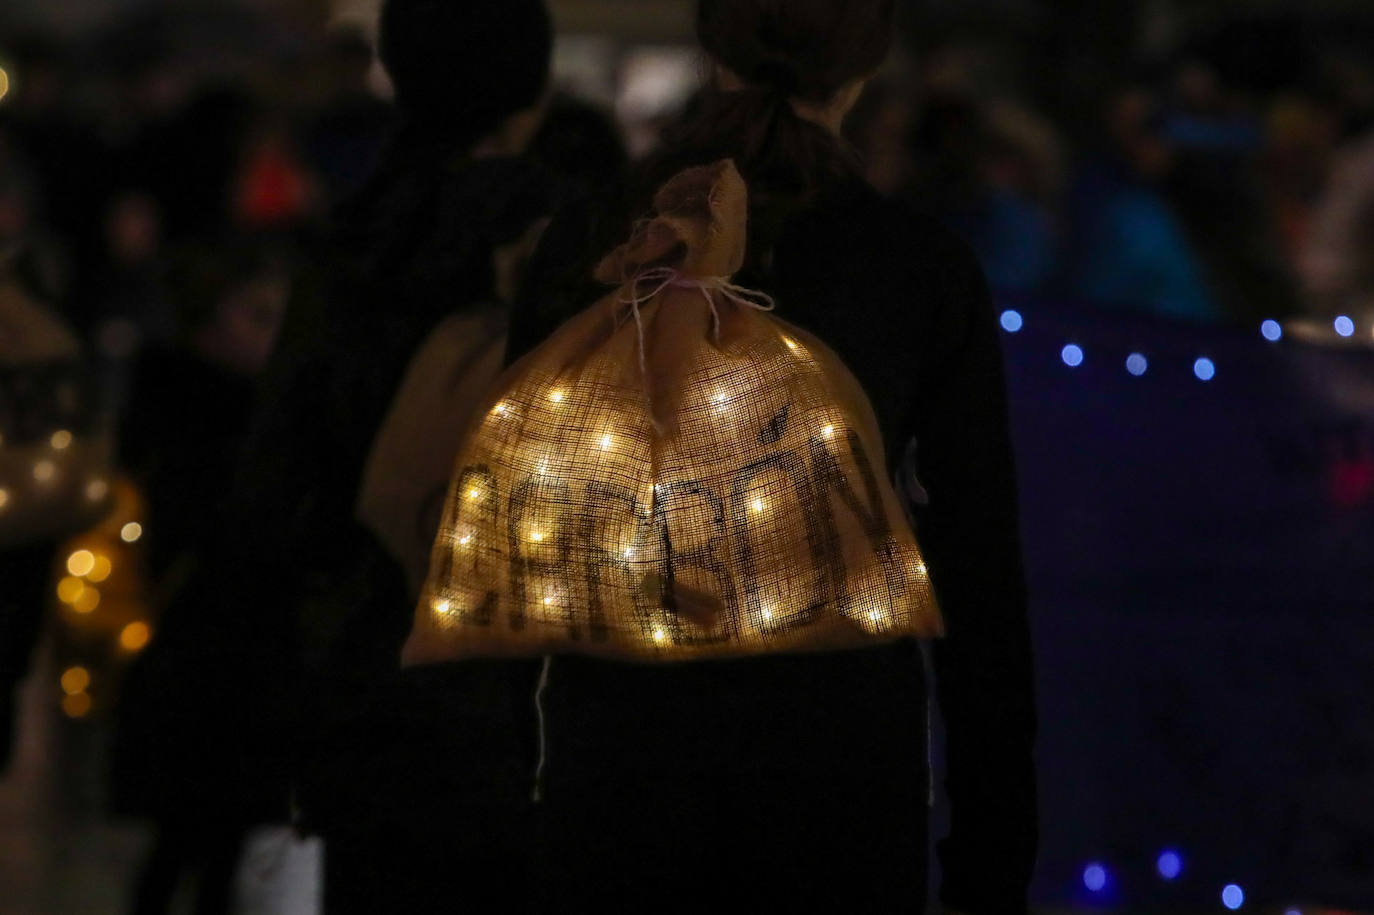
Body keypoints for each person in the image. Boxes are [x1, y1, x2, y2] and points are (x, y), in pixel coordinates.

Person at [506, 1, 1037, 912]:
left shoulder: (595, 246)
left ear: (713, 48)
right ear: (865, 71)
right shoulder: (916, 268)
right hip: (837, 778)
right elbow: (976, 565)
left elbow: (517, 533)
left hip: (618, 768)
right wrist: (991, 851)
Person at [234, 1, 561, 911]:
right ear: (530, 84)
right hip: (524, 702)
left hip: (362, 687)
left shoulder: (352, 245)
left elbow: (275, 488)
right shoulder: (565, 248)